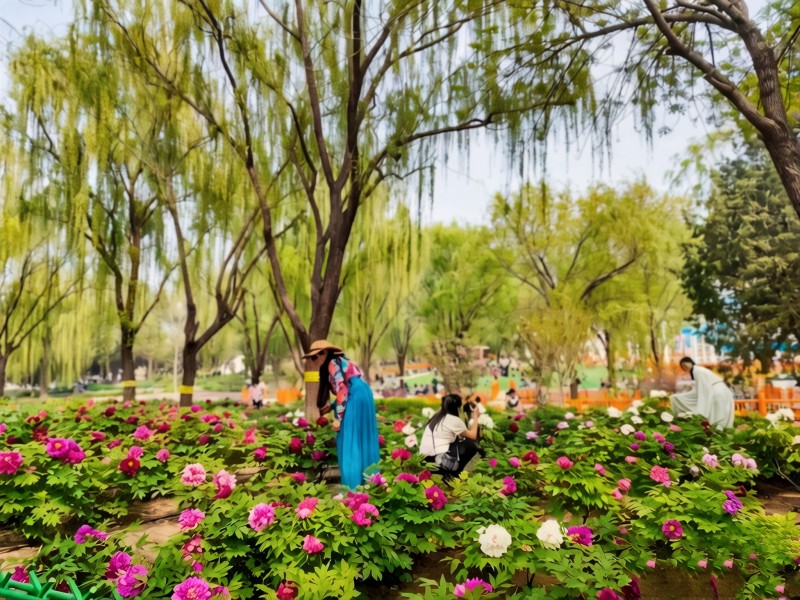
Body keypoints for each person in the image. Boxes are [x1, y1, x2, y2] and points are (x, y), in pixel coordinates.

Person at [305, 340, 380, 489]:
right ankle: (370, 482)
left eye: (315, 357)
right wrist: (332, 407)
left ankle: (352, 487)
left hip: (355, 397)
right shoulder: (341, 361)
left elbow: (343, 391)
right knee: (364, 438)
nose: (314, 361)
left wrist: (337, 419)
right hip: (363, 393)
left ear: (325, 353)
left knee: (348, 439)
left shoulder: (332, 363)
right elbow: (347, 388)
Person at [419, 393, 480, 477]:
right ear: (458, 407)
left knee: (458, 442)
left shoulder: (436, 416)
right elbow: (473, 435)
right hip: (437, 461)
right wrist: (475, 416)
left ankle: (449, 472)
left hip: (425, 459)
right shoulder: (454, 420)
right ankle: (454, 474)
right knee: (471, 445)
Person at [670, 357, 734, 430]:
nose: (684, 367)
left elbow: (703, 389)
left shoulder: (697, 371)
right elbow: (699, 390)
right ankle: (720, 432)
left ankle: (719, 432)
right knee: (719, 415)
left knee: (718, 415)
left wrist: (701, 411)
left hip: (717, 392)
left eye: (685, 364)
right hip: (718, 391)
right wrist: (679, 397)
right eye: (683, 366)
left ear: (690, 362)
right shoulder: (697, 370)